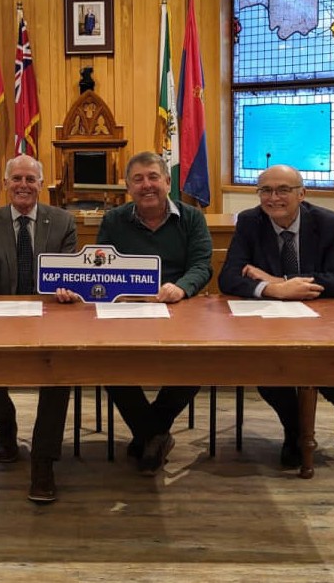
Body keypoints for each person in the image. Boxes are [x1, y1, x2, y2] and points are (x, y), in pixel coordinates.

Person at [218, 164, 334, 473]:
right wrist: (276, 291)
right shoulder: (250, 223)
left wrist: (277, 280)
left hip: (320, 318)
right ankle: (296, 433)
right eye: (265, 190)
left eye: (283, 190)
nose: (273, 198)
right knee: (266, 369)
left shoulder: (330, 224)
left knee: (329, 368)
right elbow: (228, 278)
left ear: (302, 194)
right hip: (269, 320)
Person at [58, 151, 213, 475]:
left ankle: (149, 432)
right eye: (138, 179)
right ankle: (153, 434)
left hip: (178, 309)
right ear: (128, 186)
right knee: (105, 361)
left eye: (153, 177)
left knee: (200, 362)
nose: (147, 185)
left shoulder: (192, 217)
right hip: (127, 311)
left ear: (167, 182)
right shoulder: (114, 220)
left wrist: (181, 287)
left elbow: (202, 265)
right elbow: (101, 268)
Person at [0, 155, 76, 503]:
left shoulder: (63, 221)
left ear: (41, 184)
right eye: (17, 178)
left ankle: (43, 461)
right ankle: (4, 424)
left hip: (51, 313)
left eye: (31, 179)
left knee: (60, 373)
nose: (24, 185)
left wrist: (68, 287)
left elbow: (68, 271)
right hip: (1, 313)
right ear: (5, 184)